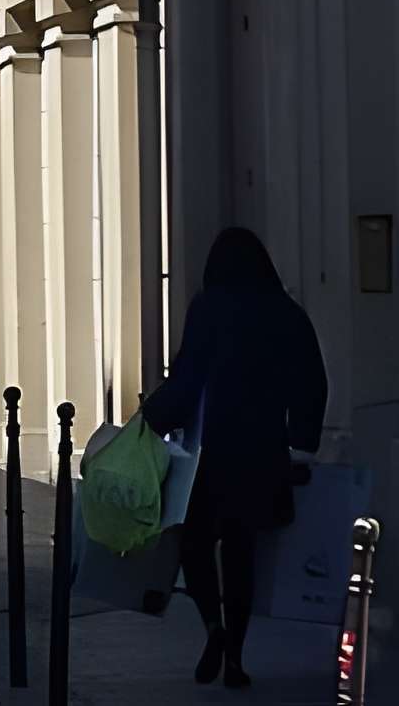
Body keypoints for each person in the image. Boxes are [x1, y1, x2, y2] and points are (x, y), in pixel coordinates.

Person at [144, 227, 328, 689]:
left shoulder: (209, 308)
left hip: (209, 452)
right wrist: (302, 436)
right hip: (260, 451)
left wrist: (153, 419)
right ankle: (237, 657)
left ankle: (212, 626)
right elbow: (311, 377)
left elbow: (187, 376)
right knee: (242, 552)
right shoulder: (284, 312)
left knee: (195, 543)